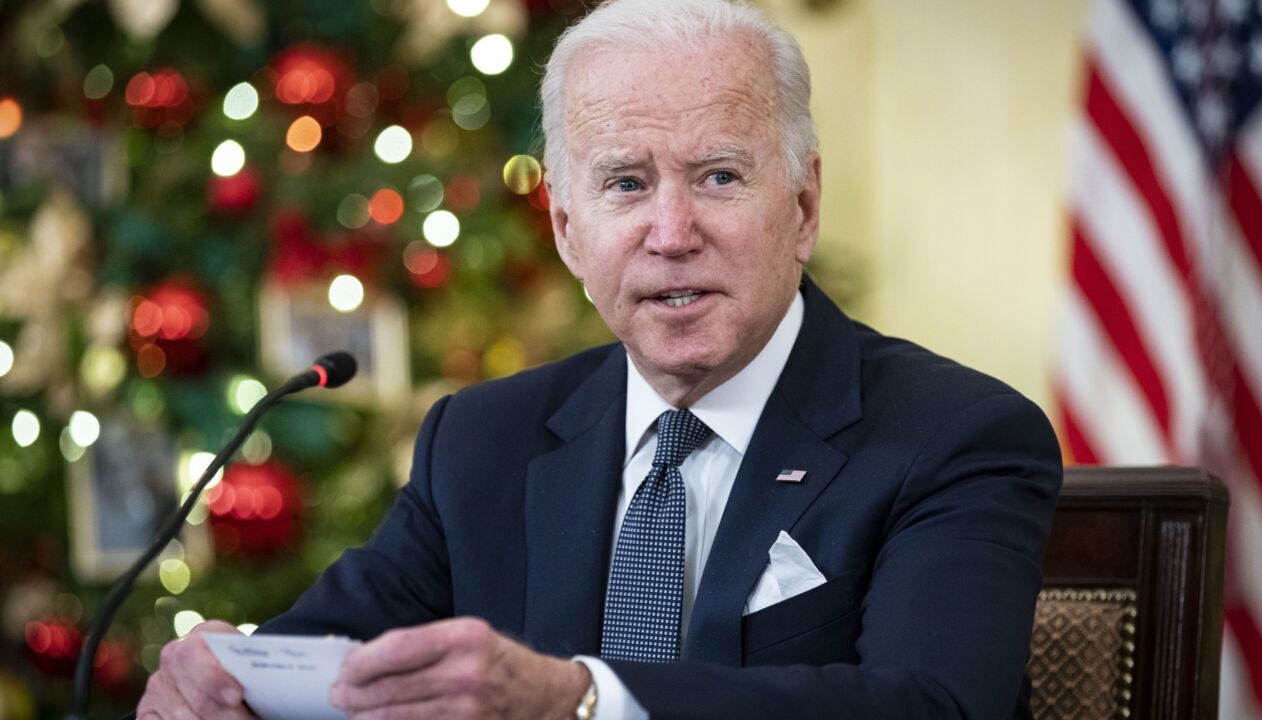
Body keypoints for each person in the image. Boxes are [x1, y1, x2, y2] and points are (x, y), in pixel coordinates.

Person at [136, 0, 1063, 717]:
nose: (671, 233)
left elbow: (928, 706)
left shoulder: (956, 436)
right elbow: (327, 657)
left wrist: (580, 702)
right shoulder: (482, 442)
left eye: (719, 177)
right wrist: (228, 673)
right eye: (626, 184)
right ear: (569, 230)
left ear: (805, 206)